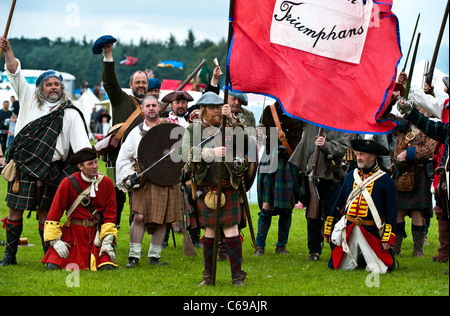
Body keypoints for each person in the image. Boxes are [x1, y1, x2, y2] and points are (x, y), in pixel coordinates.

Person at [0, 37, 91, 266]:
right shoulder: (29, 98)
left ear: (61, 88)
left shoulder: (69, 112)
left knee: (47, 215)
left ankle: (46, 255)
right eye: (49, 84)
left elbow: (81, 147)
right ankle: (9, 256)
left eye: (57, 84)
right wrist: (8, 50)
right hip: (25, 166)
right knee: (14, 212)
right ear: (41, 88)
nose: (53, 87)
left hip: (53, 169)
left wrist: (88, 168)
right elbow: (14, 71)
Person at [179, 92, 248, 286]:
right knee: (209, 230)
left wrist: (233, 121)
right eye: (212, 107)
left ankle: (237, 277)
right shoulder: (193, 129)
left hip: (228, 186)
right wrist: (211, 152)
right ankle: (207, 277)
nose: (216, 111)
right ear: (202, 110)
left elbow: (246, 145)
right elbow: (184, 152)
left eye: (219, 107)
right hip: (206, 188)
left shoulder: (229, 127)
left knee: (231, 229)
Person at [116, 95, 182, 267]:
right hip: (143, 177)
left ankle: (154, 257)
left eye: (154, 105)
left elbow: (184, 151)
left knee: (163, 218)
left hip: (167, 177)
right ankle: (134, 257)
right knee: (139, 216)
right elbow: (123, 158)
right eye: (148, 106)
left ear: (159, 107)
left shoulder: (170, 128)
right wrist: (129, 176)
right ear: (143, 109)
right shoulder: (135, 132)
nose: (151, 108)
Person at [324, 137, 398, 273]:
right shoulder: (351, 176)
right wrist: (328, 227)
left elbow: (392, 212)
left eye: (362, 155)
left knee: (380, 269)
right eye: (357, 154)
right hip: (350, 228)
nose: (358, 158)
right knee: (339, 266)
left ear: (373, 157)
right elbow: (339, 203)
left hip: (371, 231)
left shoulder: (385, 179)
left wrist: (387, 237)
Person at [97, 35, 148, 228]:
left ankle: (135, 247)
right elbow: (109, 82)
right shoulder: (120, 99)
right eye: (138, 82)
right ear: (131, 84)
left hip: (143, 163)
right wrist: (108, 55)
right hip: (119, 160)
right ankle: (110, 237)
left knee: (140, 206)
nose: (141, 85)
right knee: (115, 203)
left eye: (144, 82)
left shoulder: (153, 106)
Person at [398, 77, 449, 269]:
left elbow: (433, 135)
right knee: (443, 212)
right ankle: (445, 252)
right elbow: (437, 129)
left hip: (425, 169)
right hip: (445, 172)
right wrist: (410, 111)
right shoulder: (446, 110)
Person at [41, 147, 118, 270]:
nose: (95, 166)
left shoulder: (107, 183)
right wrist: (56, 241)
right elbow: (54, 213)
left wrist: (107, 241)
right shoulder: (67, 183)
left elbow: (110, 214)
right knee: (52, 266)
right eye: (90, 163)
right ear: (80, 166)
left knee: (107, 267)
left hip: (96, 235)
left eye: (96, 162)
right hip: (72, 234)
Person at [289, 124, 350, 261]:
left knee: (333, 215)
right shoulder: (311, 123)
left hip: (332, 177)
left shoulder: (342, 125)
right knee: (312, 215)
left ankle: (336, 248)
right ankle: (314, 250)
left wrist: (325, 145)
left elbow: (342, 148)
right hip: (312, 175)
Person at [253, 101, 305, 256]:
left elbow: (304, 138)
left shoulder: (299, 111)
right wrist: (259, 135)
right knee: (267, 205)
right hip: (271, 161)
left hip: (290, 161)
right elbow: (261, 140)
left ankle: (281, 247)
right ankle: (259, 246)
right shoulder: (269, 110)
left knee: (287, 207)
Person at [389, 110, 437, 258]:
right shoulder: (402, 125)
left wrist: (407, 154)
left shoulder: (430, 127)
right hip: (401, 171)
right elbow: (383, 116)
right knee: (398, 212)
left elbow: (430, 149)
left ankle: (418, 250)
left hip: (419, 172)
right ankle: (395, 248)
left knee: (418, 212)